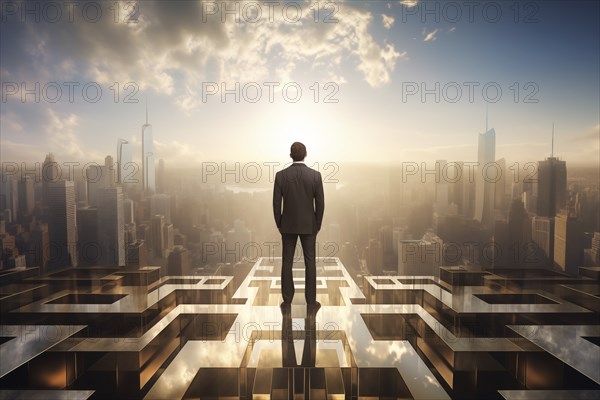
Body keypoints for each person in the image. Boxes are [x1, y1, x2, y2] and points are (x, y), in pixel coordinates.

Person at [273, 142, 324, 312]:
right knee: (310, 263)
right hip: (309, 226)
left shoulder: (281, 176)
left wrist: (279, 223)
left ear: (290, 155)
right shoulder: (315, 176)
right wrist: (317, 224)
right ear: (306, 154)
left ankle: (287, 300)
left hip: (287, 225)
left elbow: (276, 203)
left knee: (287, 262)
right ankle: (311, 301)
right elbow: (321, 204)